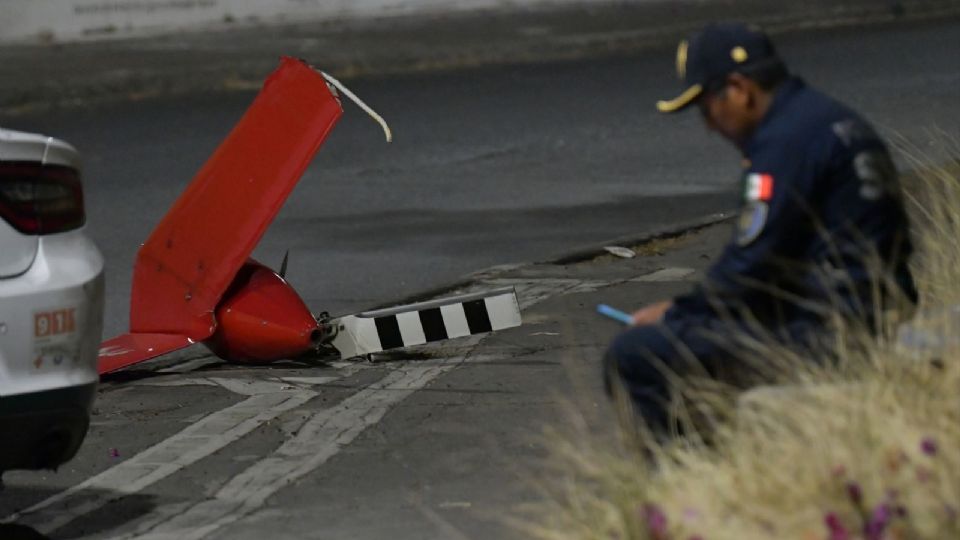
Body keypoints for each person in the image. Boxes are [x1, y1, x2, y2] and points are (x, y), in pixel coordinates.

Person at [604, 22, 917, 431]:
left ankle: (685, 477)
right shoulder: (828, 120)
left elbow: (751, 265)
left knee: (634, 355)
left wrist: (679, 315)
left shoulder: (785, 143)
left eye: (707, 109)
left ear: (739, 89)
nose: (709, 126)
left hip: (828, 334)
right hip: (870, 314)